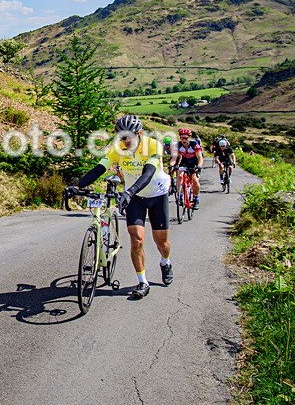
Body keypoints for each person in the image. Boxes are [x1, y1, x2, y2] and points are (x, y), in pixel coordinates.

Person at [66, 115, 173, 299]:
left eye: (129, 136)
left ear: (139, 133)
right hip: (135, 197)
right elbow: (100, 168)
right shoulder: (119, 148)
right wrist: (78, 186)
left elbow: (148, 173)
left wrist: (129, 192)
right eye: (122, 137)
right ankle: (142, 282)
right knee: (136, 239)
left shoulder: (153, 146)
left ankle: (165, 262)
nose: (126, 141)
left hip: (156, 194)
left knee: (161, 242)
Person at [171, 127, 204, 209]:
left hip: (194, 163)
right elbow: (174, 158)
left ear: (189, 137)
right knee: (179, 175)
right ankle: (180, 195)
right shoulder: (178, 145)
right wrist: (171, 166)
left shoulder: (194, 145)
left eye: (186, 138)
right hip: (184, 162)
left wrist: (199, 166)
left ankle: (196, 198)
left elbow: (200, 158)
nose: (184, 140)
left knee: (195, 180)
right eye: (182, 138)